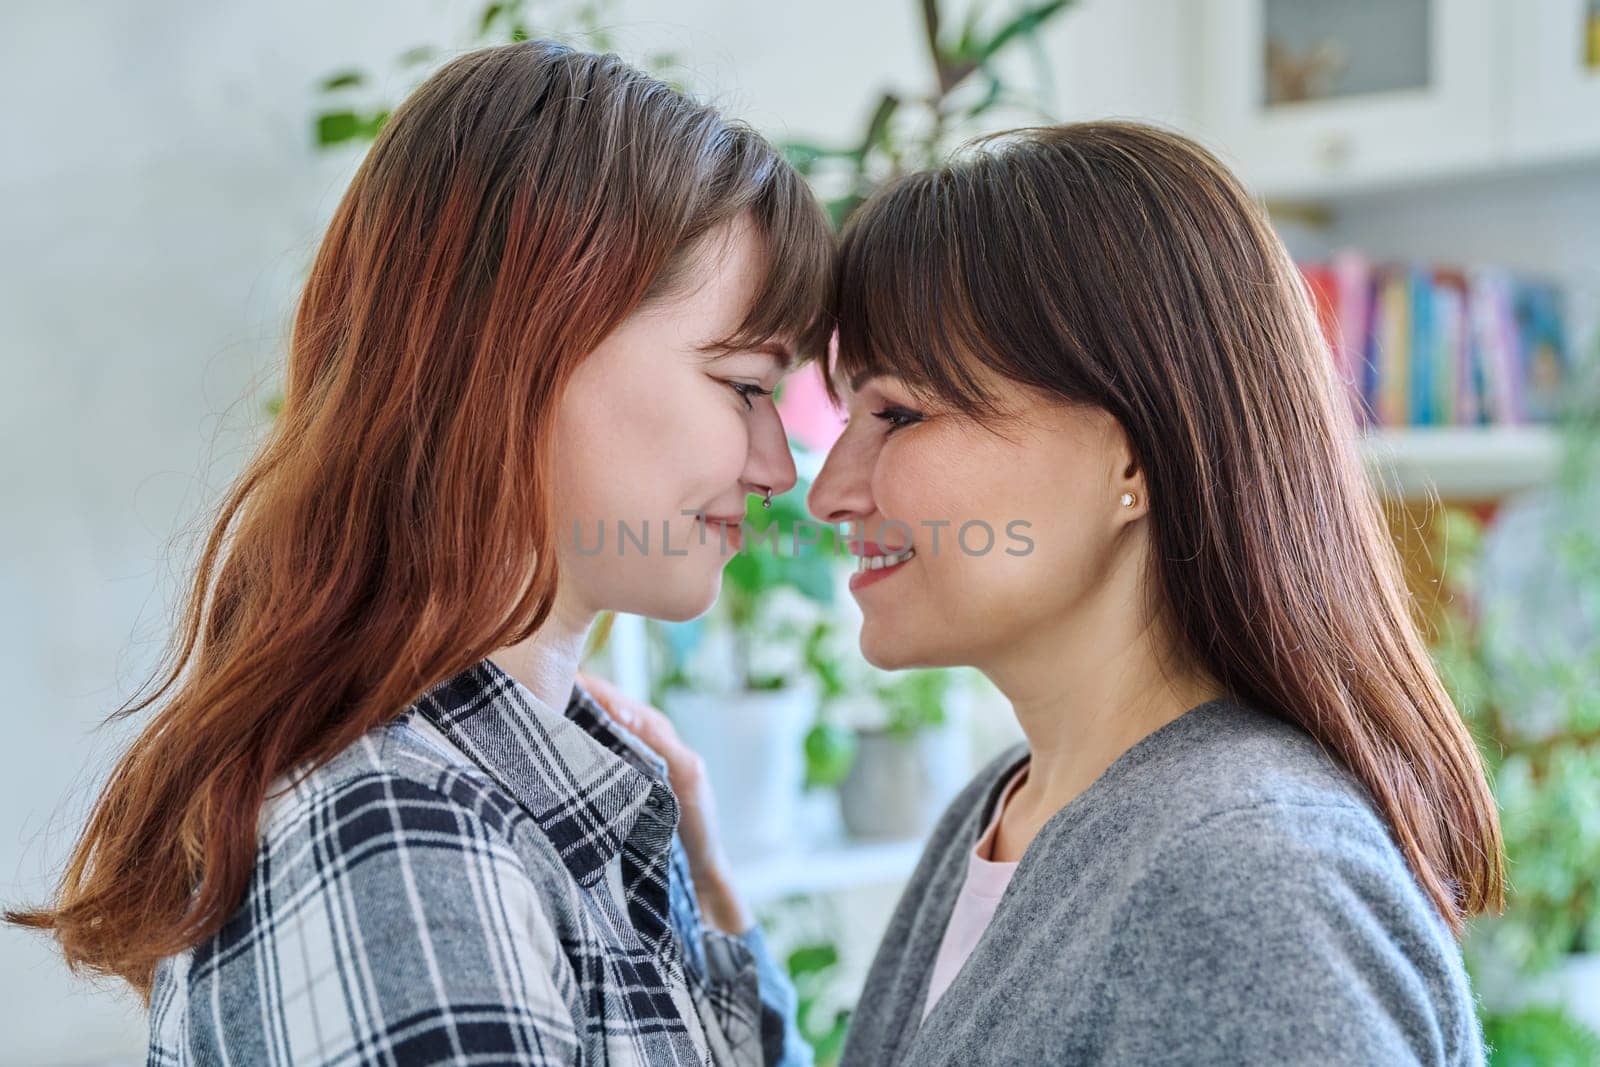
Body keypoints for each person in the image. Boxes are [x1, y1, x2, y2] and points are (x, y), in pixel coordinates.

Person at [7, 40, 832, 1066]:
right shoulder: (403, 836)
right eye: (746, 385)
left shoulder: (556, 802)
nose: (776, 468)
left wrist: (712, 900)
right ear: (530, 342)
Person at [801, 121, 1502, 1065]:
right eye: (849, 418)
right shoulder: (1005, 806)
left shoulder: (1252, 879)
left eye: (897, 413)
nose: (829, 492)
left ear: (1131, 454)